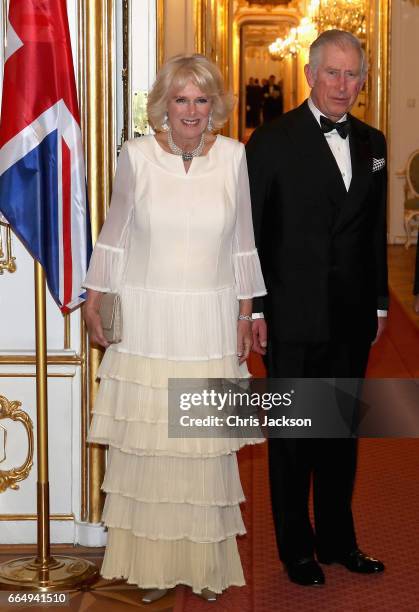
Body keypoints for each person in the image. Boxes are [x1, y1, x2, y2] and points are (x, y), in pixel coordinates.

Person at [83, 54, 266, 603]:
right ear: (163, 105)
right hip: (148, 325)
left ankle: (206, 566)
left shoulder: (234, 156)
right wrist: (95, 297)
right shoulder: (137, 156)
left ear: (215, 106)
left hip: (209, 324)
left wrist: (246, 314)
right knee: (152, 450)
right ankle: (153, 567)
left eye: (201, 99)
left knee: (203, 450)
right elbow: (115, 233)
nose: (191, 111)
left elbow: (243, 244)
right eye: (181, 100)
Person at [246, 30, 388, 586]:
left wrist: (379, 301)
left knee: (339, 435)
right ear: (309, 74)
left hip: (352, 316)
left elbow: (373, 232)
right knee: (293, 438)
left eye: (354, 74)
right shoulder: (272, 141)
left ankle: (338, 540)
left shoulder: (375, 143)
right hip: (291, 313)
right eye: (333, 72)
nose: (344, 85)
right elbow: (251, 235)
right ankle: (296, 549)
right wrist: (254, 309)